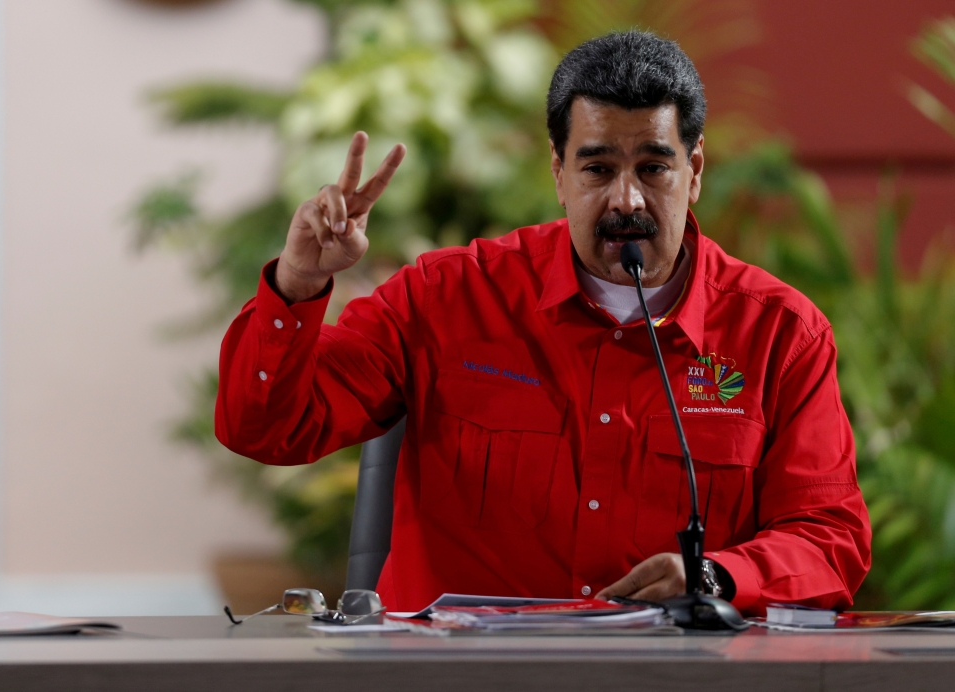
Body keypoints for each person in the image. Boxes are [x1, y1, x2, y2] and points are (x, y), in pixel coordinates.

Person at [215, 31, 871, 615]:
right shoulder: (444, 296)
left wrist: (716, 574)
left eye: (654, 167)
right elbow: (266, 431)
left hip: (672, 677)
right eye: (597, 168)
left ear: (693, 172)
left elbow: (830, 538)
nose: (626, 199)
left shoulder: (779, 332)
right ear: (559, 174)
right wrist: (299, 282)